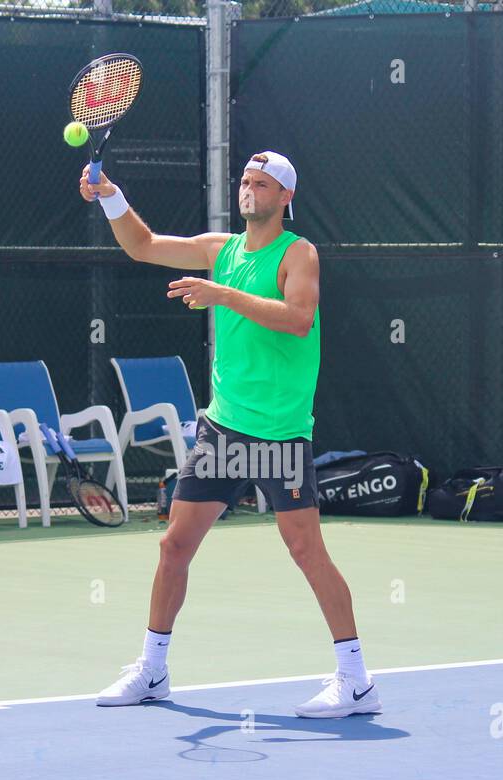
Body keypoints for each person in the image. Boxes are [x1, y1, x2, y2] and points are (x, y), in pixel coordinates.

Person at [81, 151, 381, 719]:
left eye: (261, 183)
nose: (249, 190)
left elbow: (297, 318)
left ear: (285, 197)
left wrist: (223, 295)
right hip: (223, 428)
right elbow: (142, 245)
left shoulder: (299, 254)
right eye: (245, 181)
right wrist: (111, 197)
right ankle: (153, 670)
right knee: (174, 546)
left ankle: (357, 681)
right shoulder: (221, 249)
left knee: (305, 550)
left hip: (280, 433)